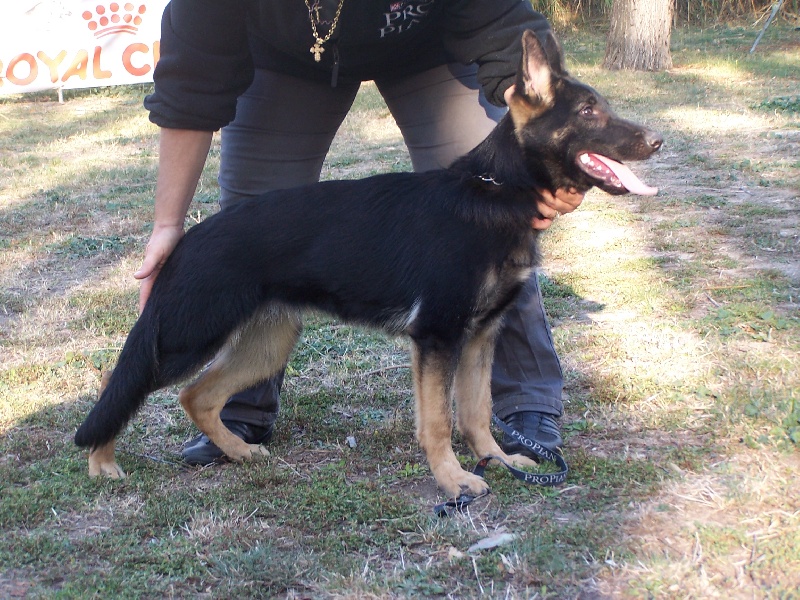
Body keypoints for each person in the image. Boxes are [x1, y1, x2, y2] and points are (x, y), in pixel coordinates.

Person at [136, 0, 584, 467]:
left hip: (425, 44)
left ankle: (525, 403)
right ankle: (237, 405)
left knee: (493, 223)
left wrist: (546, 149)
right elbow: (191, 82)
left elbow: (503, 24)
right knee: (254, 225)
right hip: (289, 57)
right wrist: (167, 224)